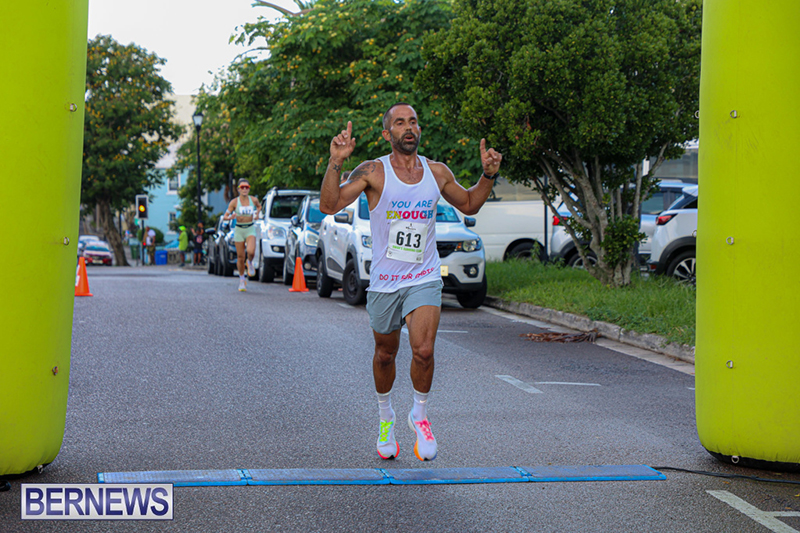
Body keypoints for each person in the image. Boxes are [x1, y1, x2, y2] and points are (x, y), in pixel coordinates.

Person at [319, 103, 502, 461]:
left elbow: (468, 204)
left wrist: (488, 176)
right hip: (385, 282)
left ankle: (419, 412)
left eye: (413, 121)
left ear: (419, 130)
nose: (408, 127)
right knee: (385, 354)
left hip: (424, 276)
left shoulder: (437, 172)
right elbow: (329, 204)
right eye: (399, 122)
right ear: (387, 134)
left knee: (424, 350)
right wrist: (336, 161)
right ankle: (386, 415)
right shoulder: (373, 171)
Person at [222, 178, 262, 291]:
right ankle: (242, 280)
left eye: (247, 187)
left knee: (251, 251)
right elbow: (225, 215)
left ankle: (249, 262)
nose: (244, 189)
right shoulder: (234, 202)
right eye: (242, 187)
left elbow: (259, 206)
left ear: (249, 189)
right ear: (238, 189)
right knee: (240, 257)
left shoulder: (253, 200)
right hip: (239, 229)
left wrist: (257, 213)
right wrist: (230, 217)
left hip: (250, 228)